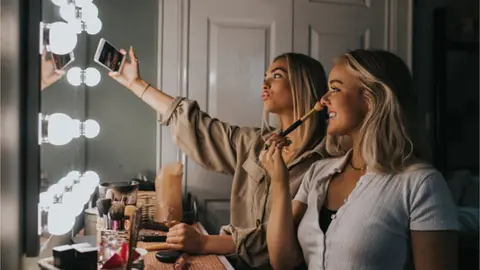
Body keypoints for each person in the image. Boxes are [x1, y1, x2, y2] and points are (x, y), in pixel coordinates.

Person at [109, 46, 329, 268]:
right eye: (265, 76)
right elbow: (197, 127)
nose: (265, 84)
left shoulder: (324, 163)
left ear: (303, 85)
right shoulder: (254, 143)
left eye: (277, 75)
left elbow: (282, 238)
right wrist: (135, 84)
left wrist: (205, 242)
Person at [261, 49, 459, 270]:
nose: (323, 100)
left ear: (371, 98)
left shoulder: (421, 183)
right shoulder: (318, 172)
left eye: (334, 89)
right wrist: (279, 180)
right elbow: (282, 261)